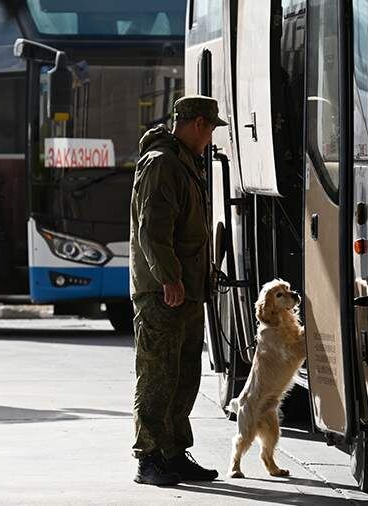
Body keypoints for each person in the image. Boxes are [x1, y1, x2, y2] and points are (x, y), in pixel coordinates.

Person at [129, 95, 228, 485]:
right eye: (210, 129)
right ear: (198, 124)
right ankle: (148, 458)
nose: (209, 138)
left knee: (184, 376)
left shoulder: (183, 161)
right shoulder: (162, 163)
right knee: (157, 377)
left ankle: (173, 453)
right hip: (162, 291)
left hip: (185, 291)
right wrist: (169, 277)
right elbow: (152, 230)